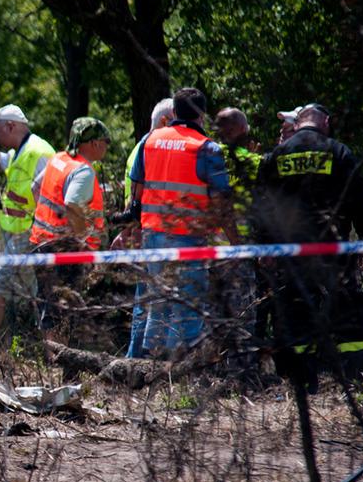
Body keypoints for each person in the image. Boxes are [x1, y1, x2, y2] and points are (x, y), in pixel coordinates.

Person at [252, 103, 363, 386]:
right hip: (333, 249)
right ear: (326, 122)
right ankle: (356, 378)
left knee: (295, 311)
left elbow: (262, 206)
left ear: (297, 124)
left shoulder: (277, 155)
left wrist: (264, 247)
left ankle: (301, 380)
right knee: (348, 312)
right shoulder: (340, 152)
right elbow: (358, 199)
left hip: (291, 253)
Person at [129, 87, 240, 358]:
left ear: (174, 112)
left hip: (153, 236)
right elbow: (222, 204)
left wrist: (136, 227)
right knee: (187, 307)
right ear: (202, 115)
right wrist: (236, 242)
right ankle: (178, 374)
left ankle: (152, 369)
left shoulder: (150, 140)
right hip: (188, 239)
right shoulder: (206, 148)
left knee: (158, 303)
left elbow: (136, 192)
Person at [0, 104, 55, 337]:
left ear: (11, 125)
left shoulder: (39, 151)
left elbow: (50, 196)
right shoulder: (20, 151)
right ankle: (50, 347)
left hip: (29, 234)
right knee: (37, 293)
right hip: (18, 235)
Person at [27, 116, 109, 340]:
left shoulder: (58, 159)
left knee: (48, 304)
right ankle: (62, 358)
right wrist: (82, 241)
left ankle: (52, 357)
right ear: (94, 143)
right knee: (64, 308)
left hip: (41, 242)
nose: (107, 146)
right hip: (64, 250)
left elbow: (35, 188)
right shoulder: (83, 171)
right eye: (106, 141)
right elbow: (72, 204)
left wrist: (49, 220)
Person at [112, 97, 174, 358]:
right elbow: (136, 197)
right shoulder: (149, 148)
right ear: (163, 121)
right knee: (151, 301)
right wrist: (130, 230)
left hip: (142, 229)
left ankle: (137, 360)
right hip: (147, 231)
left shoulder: (143, 147)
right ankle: (139, 360)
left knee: (147, 300)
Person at [211, 107, 264, 371]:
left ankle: (216, 370)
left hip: (208, 248)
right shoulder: (254, 162)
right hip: (239, 246)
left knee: (214, 312)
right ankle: (242, 371)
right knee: (242, 313)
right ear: (243, 130)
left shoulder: (208, 157)